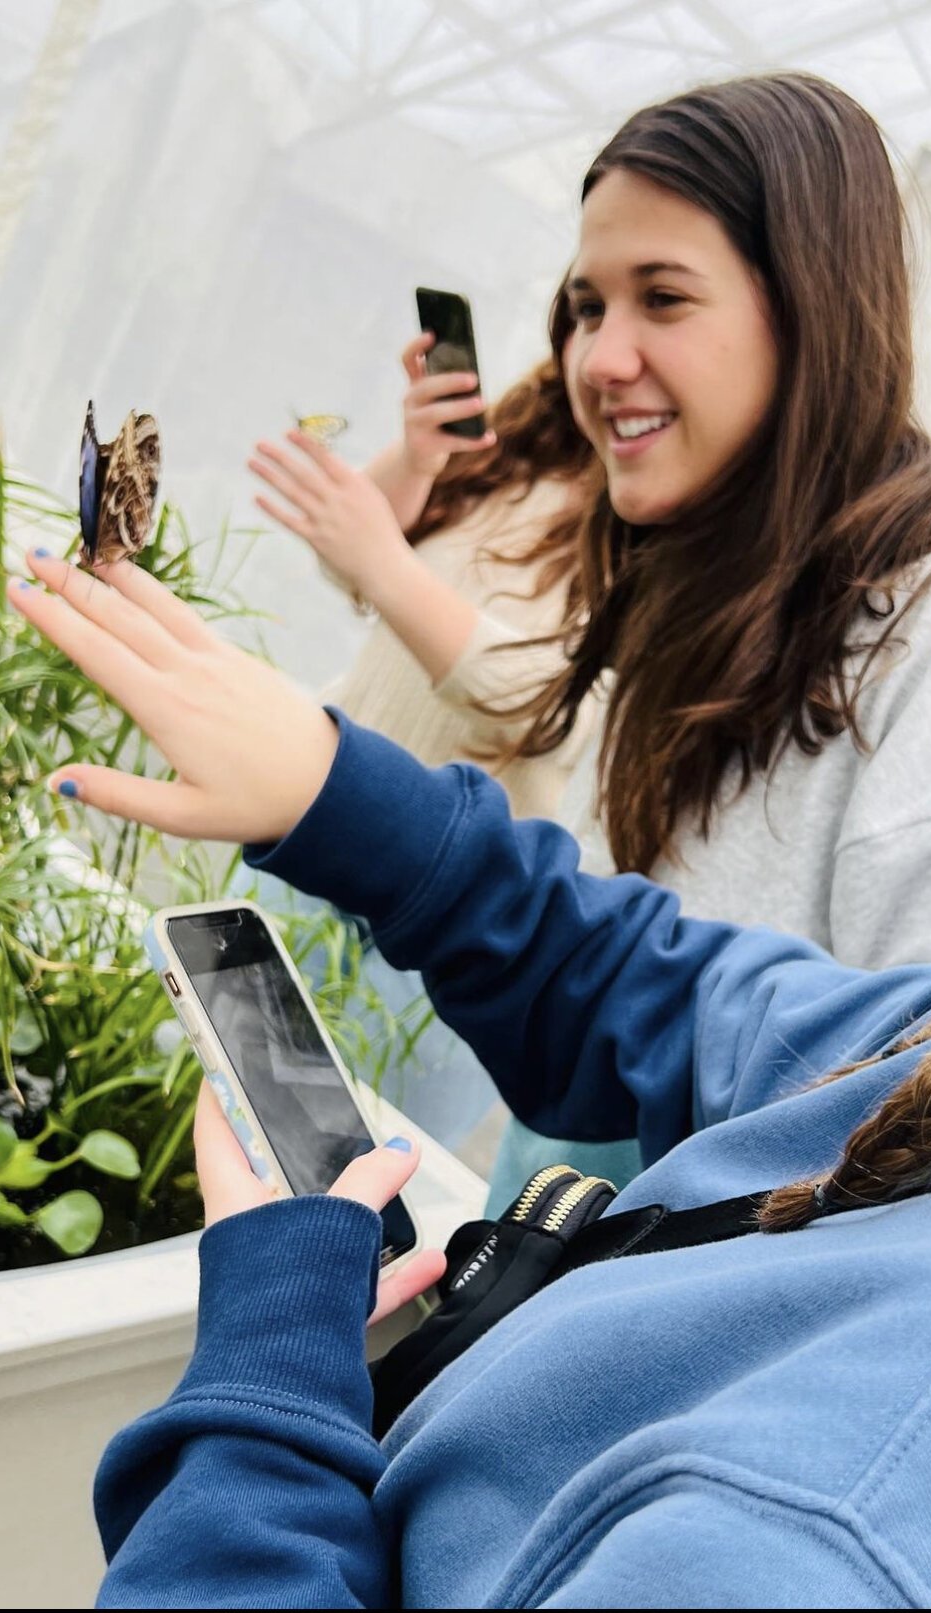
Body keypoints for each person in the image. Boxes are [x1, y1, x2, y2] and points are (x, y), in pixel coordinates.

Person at [16, 179, 931, 1606]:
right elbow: (697, 999)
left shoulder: (864, 1500)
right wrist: (331, 796)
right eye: (582, 306)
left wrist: (266, 1386)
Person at [484, 73, 931, 1202]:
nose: (600, 360)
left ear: (809, 305)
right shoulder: (696, 564)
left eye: (664, 297)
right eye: (587, 305)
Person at [245, 342, 598, 1156]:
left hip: (430, 939)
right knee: (174, 1121)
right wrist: (416, 456)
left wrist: (385, 562)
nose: (611, 353)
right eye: (590, 305)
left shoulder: (683, 524)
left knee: (329, 1182)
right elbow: (354, 567)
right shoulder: (525, 445)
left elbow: (555, 708)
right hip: (313, 833)